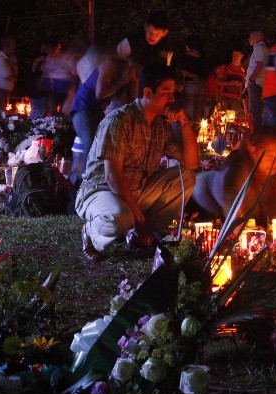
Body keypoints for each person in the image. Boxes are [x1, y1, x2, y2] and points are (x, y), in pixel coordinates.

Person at [75, 64, 199, 263]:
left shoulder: (160, 126)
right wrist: (139, 218)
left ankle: (147, 237)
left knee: (186, 177)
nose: (172, 99)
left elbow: (192, 163)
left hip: (135, 193)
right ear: (148, 92)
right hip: (102, 191)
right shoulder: (120, 120)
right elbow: (112, 176)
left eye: (173, 93)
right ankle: (90, 232)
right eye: (166, 92)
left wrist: (184, 122)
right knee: (120, 219)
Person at [190, 127, 276, 227]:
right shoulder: (238, 172)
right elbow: (235, 222)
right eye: (269, 156)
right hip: (203, 194)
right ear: (253, 150)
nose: (275, 162)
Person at [69, 52, 138, 185]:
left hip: (97, 111)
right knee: (90, 144)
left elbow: (130, 103)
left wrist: (133, 81)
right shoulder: (110, 64)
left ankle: (95, 180)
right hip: (83, 107)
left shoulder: (130, 74)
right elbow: (99, 94)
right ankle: (84, 185)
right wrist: (123, 81)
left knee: (100, 146)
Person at [117, 10, 171, 80]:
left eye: (157, 34)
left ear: (164, 33)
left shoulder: (165, 49)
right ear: (145, 26)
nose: (152, 37)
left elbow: (163, 70)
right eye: (150, 32)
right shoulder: (131, 41)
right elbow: (117, 59)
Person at [30, 41, 78, 118]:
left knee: (62, 107)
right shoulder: (47, 59)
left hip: (63, 86)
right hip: (50, 88)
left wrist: (73, 83)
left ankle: (61, 119)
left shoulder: (66, 58)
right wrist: (40, 83)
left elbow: (74, 72)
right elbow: (44, 72)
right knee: (50, 107)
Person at [177, 35, 209, 120]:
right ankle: (197, 127)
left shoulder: (186, 56)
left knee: (189, 112)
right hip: (202, 85)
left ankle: (188, 126)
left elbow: (183, 72)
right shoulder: (203, 56)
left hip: (190, 85)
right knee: (199, 112)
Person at [244, 30, 268, 129]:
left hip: (255, 83)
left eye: (251, 37)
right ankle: (255, 129)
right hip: (258, 83)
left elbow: (259, 65)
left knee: (255, 108)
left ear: (258, 37)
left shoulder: (259, 48)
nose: (249, 39)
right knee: (255, 108)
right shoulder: (260, 48)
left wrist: (251, 79)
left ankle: (256, 130)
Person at [0, 37, 18, 118]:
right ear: (6, 47)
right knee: (0, 111)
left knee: (2, 111)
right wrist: (14, 79)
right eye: (12, 48)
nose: (13, 50)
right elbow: (9, 75)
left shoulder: (8, 60)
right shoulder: (0, 59)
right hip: (0, 90)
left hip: (4, 90)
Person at [214, 48, 246, 113]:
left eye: (237, 55)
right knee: (221, 117)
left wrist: (240, 84)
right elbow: (217, 81)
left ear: (242, 56)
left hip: (236, 100)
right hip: (224, 98)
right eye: (233, 54)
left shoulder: (244, 69)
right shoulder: (225, 67)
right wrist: (228, 83)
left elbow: (246, 84)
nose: (235, 57)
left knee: (234, 118)